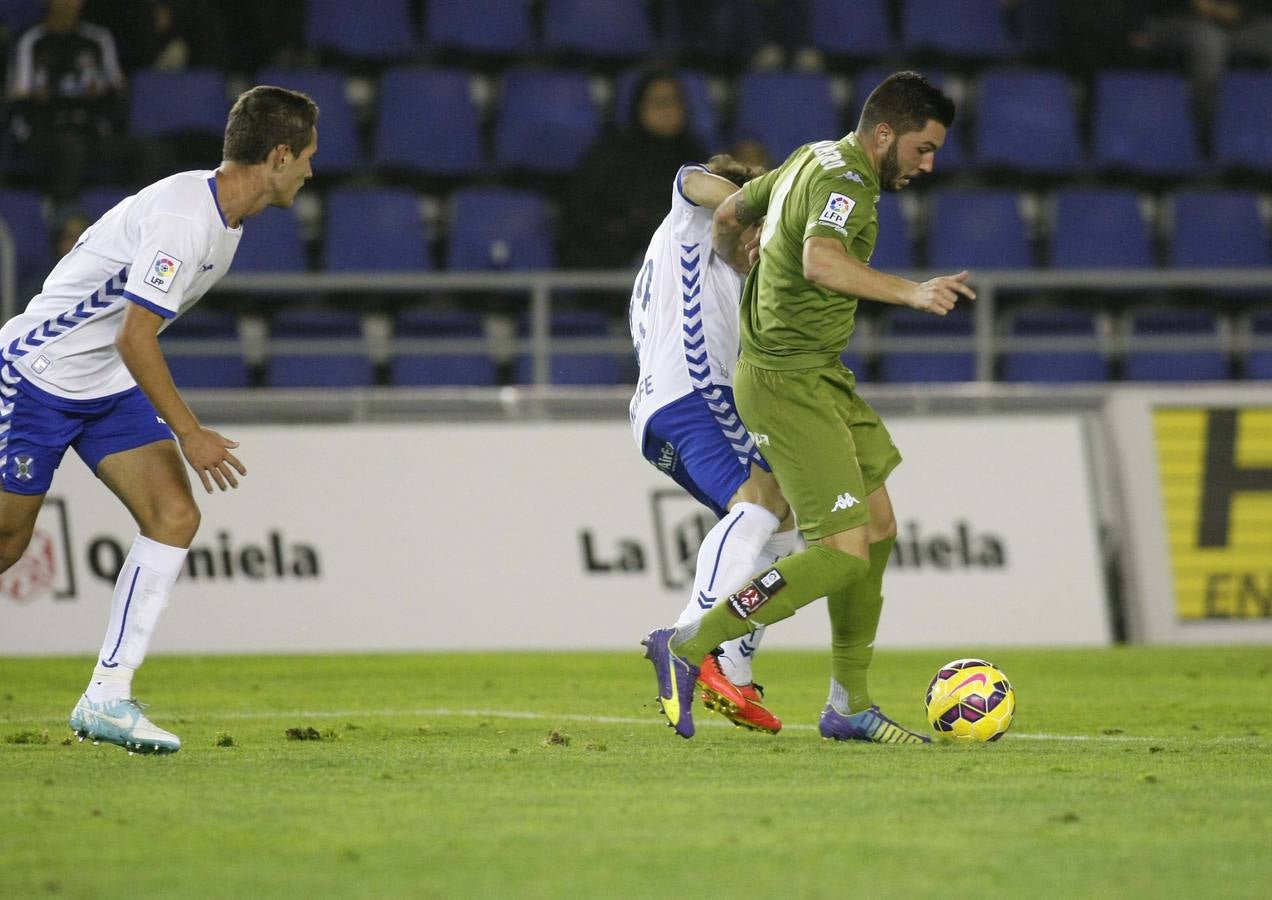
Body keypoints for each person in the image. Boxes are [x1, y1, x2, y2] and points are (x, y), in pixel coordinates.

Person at [642, 71, 975, 743]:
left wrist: (749, 250)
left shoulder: (810, 157)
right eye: (922, 149)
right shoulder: (847, 184)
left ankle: (848, 703)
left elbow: (734, 214)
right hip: (785, 384)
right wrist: (911, 294)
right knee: (840, 550)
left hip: (819, 374)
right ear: (886, 133)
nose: (927, 165)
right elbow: (823, 262)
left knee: (878, 529)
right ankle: (688, 643)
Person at [0, 85, 319, 754]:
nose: (312, 173)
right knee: (8, 541)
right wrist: (190, 432)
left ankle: (106, 698)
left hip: (102, 387)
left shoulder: (226, 225)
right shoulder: (185, 220)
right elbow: (135, 336)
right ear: (280, 156)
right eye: (309, 157)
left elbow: (126, 341)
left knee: (174, 516)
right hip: (37, 374)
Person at [629, 153, 800, 734]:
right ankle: (687, 639)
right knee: (757, 500)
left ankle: (734, 663)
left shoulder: (718, 269)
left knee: (782, 516)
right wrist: (757, 204)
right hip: (689, 394)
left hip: (673, 406)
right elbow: (693, 181)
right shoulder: (692, 216)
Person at [561, 68, 706, 272]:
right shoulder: (609, 157)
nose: (666, 110)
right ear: (639, 107)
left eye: (672, 101)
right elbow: (582, 219)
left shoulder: (695, 159)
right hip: (615, 273)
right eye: (657, 102)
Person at [6, 0, 130, 199]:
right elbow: (21, 99)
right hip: (44, 130)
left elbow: (117, 91)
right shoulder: (31, 40)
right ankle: (65, 216)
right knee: (72, 147)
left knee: (149, 151)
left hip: (91, 129)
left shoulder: (98, 38)